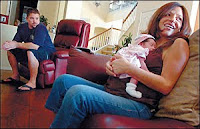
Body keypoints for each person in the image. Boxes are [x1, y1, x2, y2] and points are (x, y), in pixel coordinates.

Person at [45, 2, 191, 128]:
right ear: (159, 17)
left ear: (182, 26)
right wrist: (111, 65)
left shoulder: (177, 44)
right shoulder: (147, 40)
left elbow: (165, 86)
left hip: (139, 104)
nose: (172, 20)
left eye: (179, 19)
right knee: (63, 81)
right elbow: (126, 56)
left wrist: (128, 68)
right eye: (168, 15)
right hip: (114, 90)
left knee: (78, 94)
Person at [1, 8, 56, 91]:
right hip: (32, 49)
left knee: (31, 52)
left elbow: (35, 46)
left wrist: (16, 44)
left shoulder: (41, 27)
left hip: (47, 51)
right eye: (32, 18)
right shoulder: (22, 27)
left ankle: (32, 82)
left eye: (37, 18)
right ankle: (15, 75)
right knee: (11, 51)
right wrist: (9, 45)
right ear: (26, 19)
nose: (35, 21)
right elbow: (16, 42)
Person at [110, 34, 156, 98]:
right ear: (141, 44)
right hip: (128, 63)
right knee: (137, 72)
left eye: (154, 46)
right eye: (151, 45)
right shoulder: (141, 50)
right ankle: (131, 87)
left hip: (121, 63)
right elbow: (141, 62)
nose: (153, 48)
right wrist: (147, 72)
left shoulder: (132, 48)